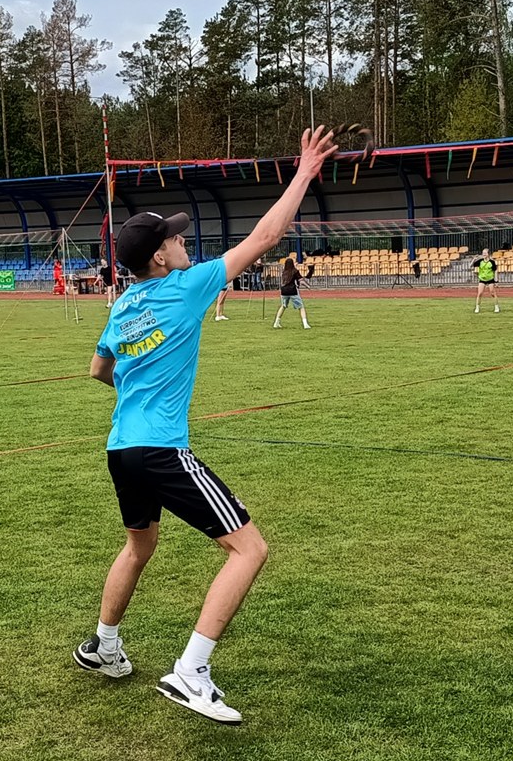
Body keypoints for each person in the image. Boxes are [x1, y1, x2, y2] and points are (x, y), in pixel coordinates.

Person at [74, 125, 339, 724]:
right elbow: (266, 236)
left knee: (139, 545)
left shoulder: (123, 304)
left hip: (121, 448)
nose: (181, 241)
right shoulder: (185, 287)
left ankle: (104, 646)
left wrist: (137, 391)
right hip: (161, 449)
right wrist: (303, 171)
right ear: (159, 257)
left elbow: (97, 370)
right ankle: (191, 671)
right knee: (250, 549)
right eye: (173, 237)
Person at [273, 257, 311, 329]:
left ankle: (276, 323)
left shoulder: (284, 272)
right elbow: (301, 281)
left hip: (284, 291)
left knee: (283, 306)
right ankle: (305, 324)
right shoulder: (295, 271)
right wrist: (308, 286)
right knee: (301, 307)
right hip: (292, 290)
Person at [472, 248, 499, 313]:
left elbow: (495, 271)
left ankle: (496, 307)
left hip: (490, 279)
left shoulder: (492, 262)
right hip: (482, 279)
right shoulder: (480, 261)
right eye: (483, 253)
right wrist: (474, 260)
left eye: (485, 253)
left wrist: (496, 280)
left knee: (492, 293)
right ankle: (477, 307)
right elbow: (471, 265)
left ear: (488, 254)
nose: (483, 254)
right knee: (479, 293)